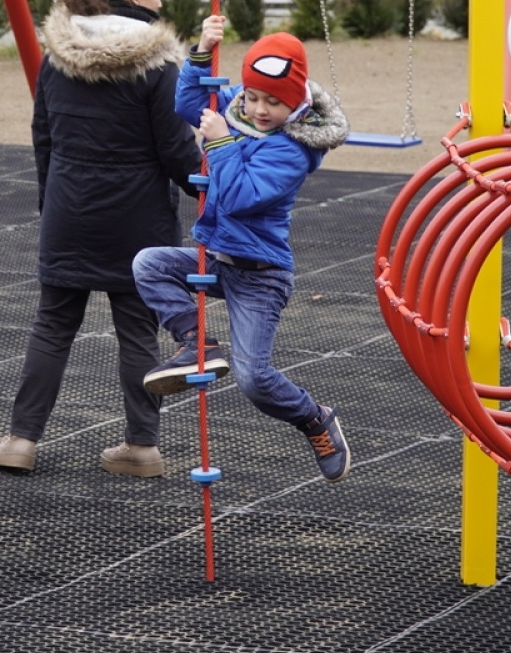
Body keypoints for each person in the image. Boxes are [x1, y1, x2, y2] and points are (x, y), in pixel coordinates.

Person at [0, 0, 204, 477]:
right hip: (138, 218)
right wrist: (210, 189)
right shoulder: (157, 65)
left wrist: (51, 201)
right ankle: (142, 446)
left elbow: (45, 136)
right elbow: (175, 150)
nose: (159, 2)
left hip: (70, 209)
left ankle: (21, 439)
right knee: (137, 330)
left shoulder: (58, 54)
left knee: (53, 326)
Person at [132, 29, 353, 481]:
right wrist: (200, 53)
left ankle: (314, 418)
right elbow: (187, 104)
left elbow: (239, 196)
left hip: (260, 275)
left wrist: (219, 142)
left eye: (271, 102)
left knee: (253, 379)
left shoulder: (292, 149)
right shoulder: (237, 107)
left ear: (294, 104)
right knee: (148, 264)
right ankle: (197, 342)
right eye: (252, 97)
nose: (258, 110)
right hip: (218, 260)